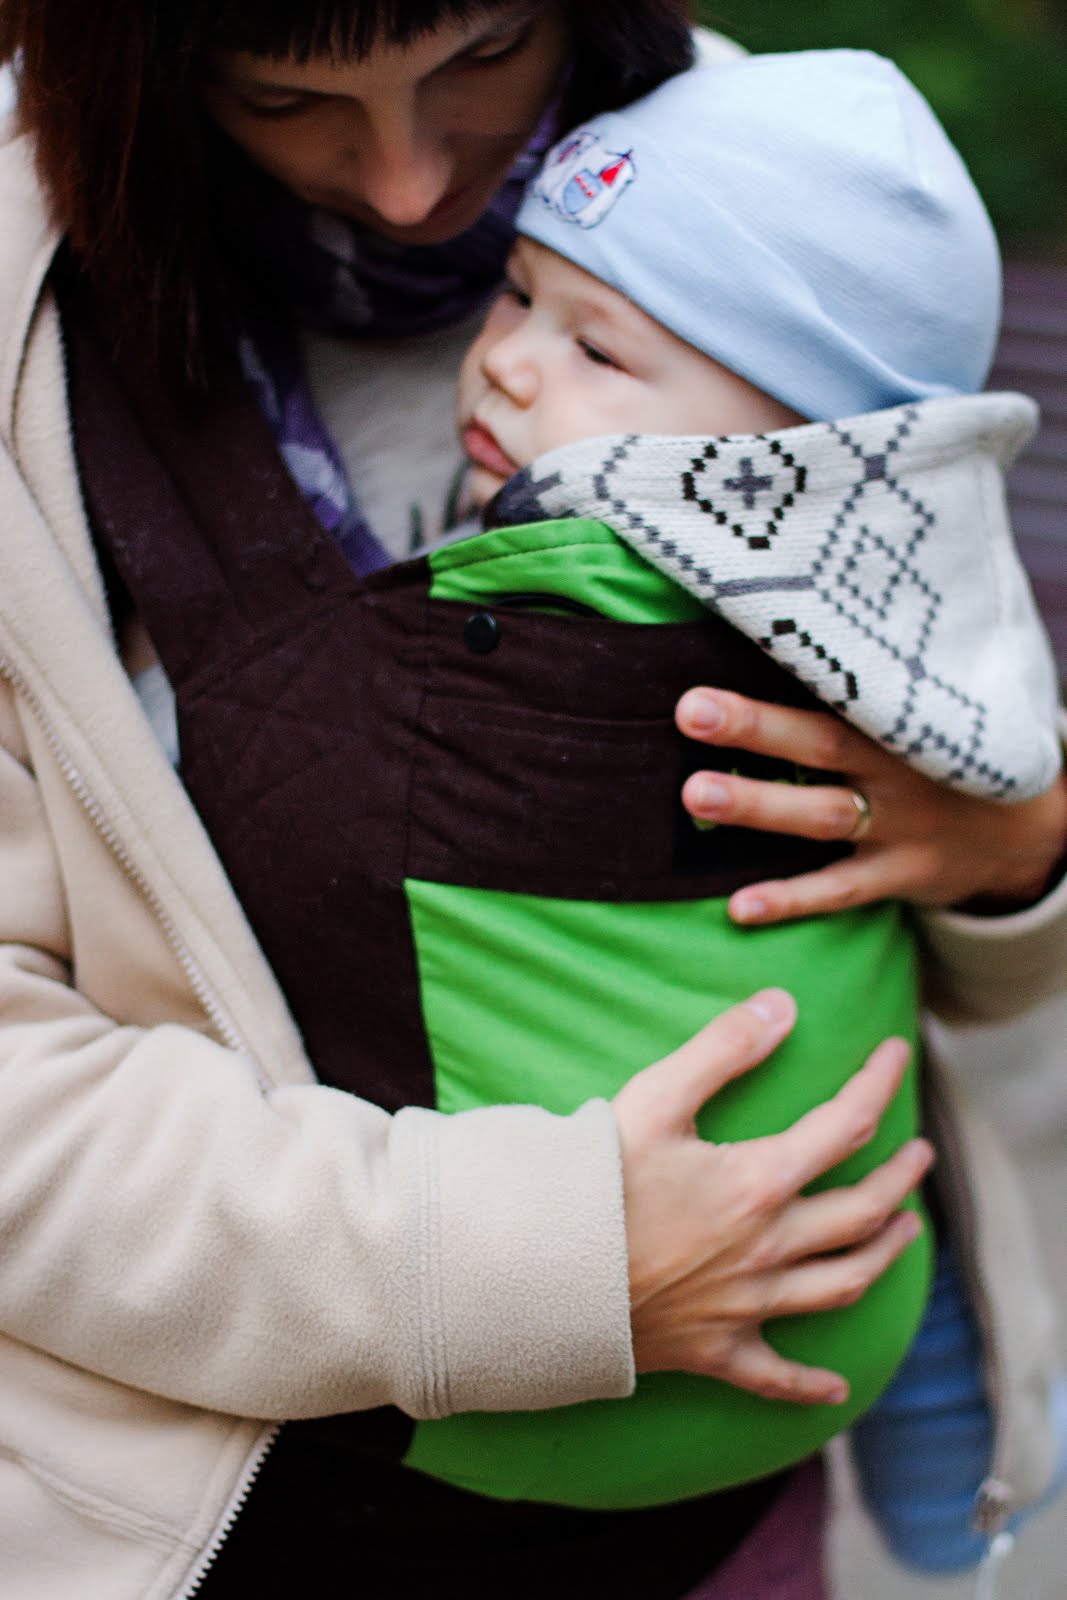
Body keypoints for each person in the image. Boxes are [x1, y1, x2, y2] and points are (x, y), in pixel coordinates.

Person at [0, 4, 1064, 1598]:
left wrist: (1013, 851)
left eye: (484, 55)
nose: (414, 186)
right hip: (224, 1533)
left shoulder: (762, 166)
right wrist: (532, 1262)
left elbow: (954, 733)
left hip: (736, 1524)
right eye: (286, 95)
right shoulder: (31, 328)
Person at [449, 47, 1067, 1571]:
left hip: (834, 1111)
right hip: (550, 1199)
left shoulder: (873, 600)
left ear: (796, 457)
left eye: (597, 349)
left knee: (870, 1172)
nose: (508, 362)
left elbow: (1000, 771)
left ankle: (972, 1452)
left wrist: (1018, 839)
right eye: (517, 295)